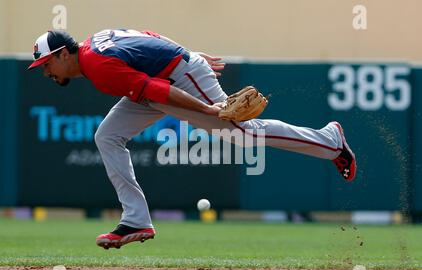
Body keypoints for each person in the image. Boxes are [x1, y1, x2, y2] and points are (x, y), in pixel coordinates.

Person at [28, 29, 356, 249]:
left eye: (46, 64)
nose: (45, 72)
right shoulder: (95, 42)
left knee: (241, 134)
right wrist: (187, 52)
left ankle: (329, 140)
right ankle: (135, 220)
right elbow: (148, 38)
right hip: (166, 74)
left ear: (62, 54)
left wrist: (208, 108)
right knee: (108, 135)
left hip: (177, 78)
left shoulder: (98, 66)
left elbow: (160, 90)